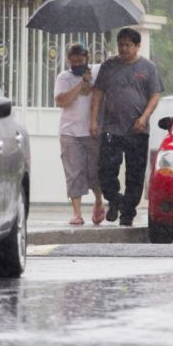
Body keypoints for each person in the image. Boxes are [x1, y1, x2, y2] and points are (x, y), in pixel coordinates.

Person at [90, 28, 164, 226]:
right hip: (111, 129)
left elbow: (155, 95)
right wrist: (93, 121)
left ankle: (128, 212)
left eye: (127, 45)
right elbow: (97, 93)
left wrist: (144, 117)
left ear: (137, 46)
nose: (123, 49)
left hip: (137, 129)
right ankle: (115, 200)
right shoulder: (109, 66)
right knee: (105, 170)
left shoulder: (148, 68)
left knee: (135, 173)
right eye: (121, 44)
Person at [54, 43, 105, 226]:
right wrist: (80, 84)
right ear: (69, 60)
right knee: (74, 173)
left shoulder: (97, 72)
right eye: (74, 61)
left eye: (81, 61)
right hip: (70, 132)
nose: (77, 64)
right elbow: (61, 101)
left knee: (94, 172)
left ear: (88, 59)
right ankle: (77, 213)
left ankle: (99, 200)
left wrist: (90, 81)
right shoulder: (64, 77)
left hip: (92, 132)